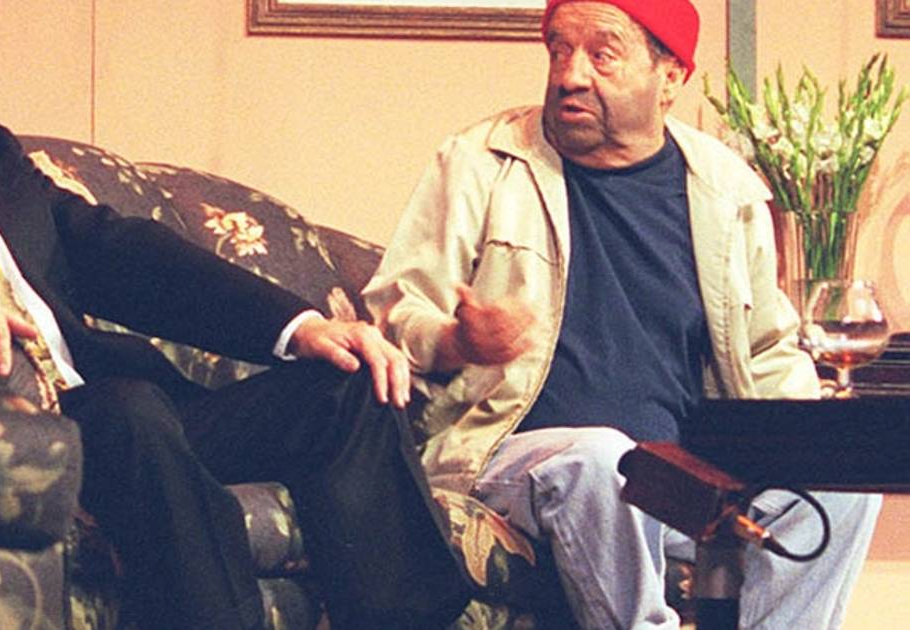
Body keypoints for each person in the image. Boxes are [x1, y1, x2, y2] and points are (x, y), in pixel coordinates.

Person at [0, 1, 473, 628]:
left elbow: (124, 256)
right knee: (128, 409)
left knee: (344, 382)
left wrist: (303, 327)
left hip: (135, 420)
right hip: (13, 423)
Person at [363, 0, 882, 628]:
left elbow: (767, 351)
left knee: (845, 485)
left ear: (670, 76)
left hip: (679, 480)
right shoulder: (481, 162)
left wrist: (816, 444)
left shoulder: (725, 188)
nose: (570, 75)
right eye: (559, 49)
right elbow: (397, 314)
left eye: (602, 54)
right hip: (512, 454)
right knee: (603, 457)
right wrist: (457, 341)